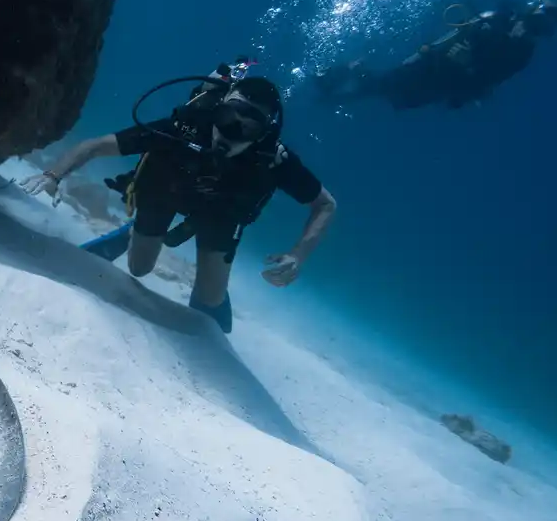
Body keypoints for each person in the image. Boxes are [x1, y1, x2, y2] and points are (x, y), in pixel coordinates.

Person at [21, 75, 337, 334]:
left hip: (222, 212)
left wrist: (298, 255)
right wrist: (53, 174)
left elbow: (325, 205)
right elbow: (96, 146)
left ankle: (199, 277)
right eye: (228, 117)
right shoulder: (183, 127)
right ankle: (132, 234)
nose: (231, 131)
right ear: (218, 109)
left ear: (263, 136)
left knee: (209, 300)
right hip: (164, 189)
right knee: (139, 268)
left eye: (248, 127)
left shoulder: (273, 161)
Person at [312, 0, 557, 111]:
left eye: (544, 28)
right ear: (532, 11)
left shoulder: (523, 54)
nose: (535, 29)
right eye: (538, 20)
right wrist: (427, 53)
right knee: (383, 86)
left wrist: (467, 90)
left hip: (449, 84)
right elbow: (456, 34)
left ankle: (337, 88)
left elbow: (494, 80)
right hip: (433, 65)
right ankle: (339, 78)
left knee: (393, 97)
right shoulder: (498, 20)